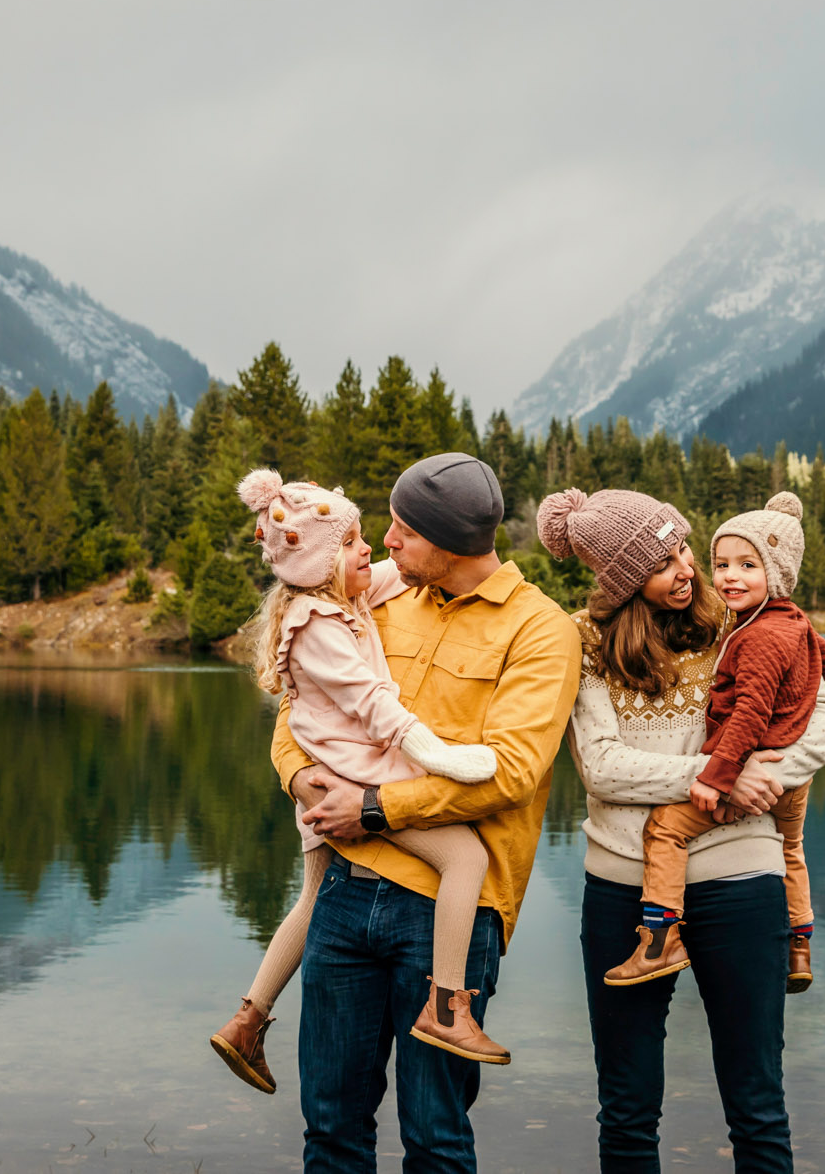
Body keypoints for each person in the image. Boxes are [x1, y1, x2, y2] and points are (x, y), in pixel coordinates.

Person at [271, 452, 581, 1174]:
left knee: (435, 1135)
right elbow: (300, 708)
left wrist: (374, 807)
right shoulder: (375, 600)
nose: (386, 541)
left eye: (404, 529)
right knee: (330, 1127)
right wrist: (301, 781)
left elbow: (509, 772)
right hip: (343, 895)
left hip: (450, 910)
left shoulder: (540, 631)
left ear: (452, 541)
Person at [538, 486, 825, 1174]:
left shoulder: (742, 625)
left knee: (757, 1106)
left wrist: (762, 767)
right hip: (623, 888)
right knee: (626, 1110)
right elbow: (603, 767)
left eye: (685, 548)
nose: (688, 568)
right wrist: (720, 772)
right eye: (664, 560)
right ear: (622, 582)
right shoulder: (584, 643)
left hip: (741, 879)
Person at [210, 468, 512, 1099]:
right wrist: (442, 756)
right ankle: (448, 1007)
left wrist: (459, 547)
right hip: (356, 774)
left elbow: (406, 572)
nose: (371, 547)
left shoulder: (338, 595)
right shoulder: (319, 625)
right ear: (323, 563)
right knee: (465, 856)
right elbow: (375, 704)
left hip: (327, 776)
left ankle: (248, 1019)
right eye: (352, 543)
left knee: (313, 898)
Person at [601, 492, 825, 990]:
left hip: (747, 770)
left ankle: (660, 941)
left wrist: (720, 777)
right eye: (722, 563)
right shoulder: (789, 622)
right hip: (793, 783)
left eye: (747, 565)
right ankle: (799, 945)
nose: (726, 575)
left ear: (777, 573)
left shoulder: (757, 637)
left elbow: (750, 713)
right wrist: (794, 704)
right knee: (792, 849)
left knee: (666, 828)